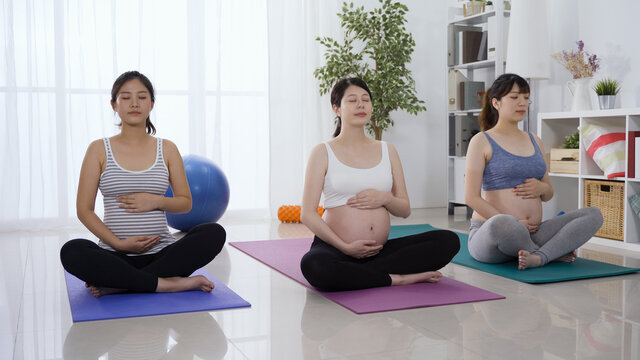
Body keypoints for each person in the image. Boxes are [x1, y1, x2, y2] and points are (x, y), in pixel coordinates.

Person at [60, 71, 225, 297]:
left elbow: (185, 204)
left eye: (142, 97)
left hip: (162, 253)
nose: (134, 103)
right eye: (126, 97)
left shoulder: (167, 149)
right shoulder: (98, 149)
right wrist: (119, 244)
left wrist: (155, 201)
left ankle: (123, 284)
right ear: (114, 105)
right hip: (114, 255)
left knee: (214, 233)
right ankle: (168, 284)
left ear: (152, 104)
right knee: (72, 251)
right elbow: (84, 210)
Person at [299, 77, 460, 292]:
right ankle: (397, 279)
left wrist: (386, 198)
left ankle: (357, 274)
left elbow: (404, 210)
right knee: (314, 266)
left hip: (379, 250)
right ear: (337, 109)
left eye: (366, 99)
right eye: (352, 100)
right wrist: (346, 247)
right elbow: (307, 214)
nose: (361, 105)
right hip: (335, 248)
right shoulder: (322, 152)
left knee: (448, 240)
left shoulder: (388, 150)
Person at [464, 73, 603, 270]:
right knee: (503, 224)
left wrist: (540, 188)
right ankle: (551, 253)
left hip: (532, 232)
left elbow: (548, 194)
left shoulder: (535, 140)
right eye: (514, 97)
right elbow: (471, 198)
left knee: (593, 214)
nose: (522, 103)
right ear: (496, 103)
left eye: (526, 97)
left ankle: (538, 256)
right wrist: (513, 222)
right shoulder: (481, 141)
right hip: (493, 234)